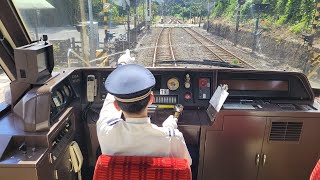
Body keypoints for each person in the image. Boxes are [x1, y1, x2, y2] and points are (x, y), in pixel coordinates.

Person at [96, 64, 192, 165]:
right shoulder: (173, 139)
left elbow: (108, 106)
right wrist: (169, 128)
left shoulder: (105, 130)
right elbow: (186, 165)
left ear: (117, 106)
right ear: (151, 99)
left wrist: (122, 67)